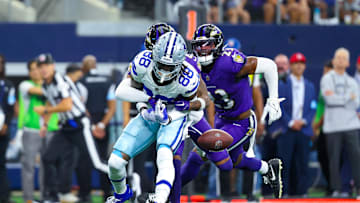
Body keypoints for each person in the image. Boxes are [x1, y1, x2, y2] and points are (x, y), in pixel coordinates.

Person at [180, 24, 284, 198]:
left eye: (208, 45)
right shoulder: (193, 66)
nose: (203, 50)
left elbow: (270, 66)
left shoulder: (230, 62)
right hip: (222, 119)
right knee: (237, 160)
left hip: (242, 122)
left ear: (218, 45)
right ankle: (268, 168)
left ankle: (166, 194)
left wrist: (273, 99)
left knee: (198, 155)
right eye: (199, 45)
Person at [106, 32, 203, 203]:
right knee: (115, 162)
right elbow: (125, 91)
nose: (164, 71)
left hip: (173, 117)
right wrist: (144, 106)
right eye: (161, 65)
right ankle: (122, 194)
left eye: (170, 66)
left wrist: (170, 119)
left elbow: (193, 110)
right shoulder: (142, 62)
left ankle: (160, 199)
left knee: (165, 155)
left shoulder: (188, 79)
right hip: (149, 114)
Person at [34, 53, 107, 202]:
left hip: (79, 125)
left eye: (46, 65)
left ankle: (127, 180)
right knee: (48, 158)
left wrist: (46, 111)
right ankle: (52, 197)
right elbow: (50, 101)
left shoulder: (60, 80)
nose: (44, 69)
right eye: (40, 67)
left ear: (53, 66)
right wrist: (45, 123)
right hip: (66, 127)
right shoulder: (45, 84)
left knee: (96, 163)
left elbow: (67, 105)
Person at [275, 52, 317, 196]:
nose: (299, 66)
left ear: (304, 66)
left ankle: (302, 193)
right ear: (291, 66)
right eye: (296, 63)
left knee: (302, 163)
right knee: (285, 163)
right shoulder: (283, 84)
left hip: (303, 130)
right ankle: (284, 192)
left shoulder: (310, 86)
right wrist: (290, 122)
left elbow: (312, 107)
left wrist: (304, 121)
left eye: (301, 64)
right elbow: (279, 106)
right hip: (287, 129)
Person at [321, 47, 360, 198]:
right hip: (333, 126)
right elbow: (329, 100)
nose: (341, 60)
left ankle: (358, 187)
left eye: (344, 58)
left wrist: (340, 99)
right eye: (338, 57)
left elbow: (356, 103)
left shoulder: (351, 81)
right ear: (334, 60)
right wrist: (346, 98)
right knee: (334, 159)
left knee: (356, 156)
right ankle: (336, 189)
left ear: (348, 63)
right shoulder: (327, 79)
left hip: (351, 124)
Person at [18, 59, 59, 203]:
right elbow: (43, 91)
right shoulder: (25, 85)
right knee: (28, 165)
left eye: (38, 68)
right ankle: (28, 199)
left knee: (46, 166)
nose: (36, 72)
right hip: (31, 130)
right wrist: (52, 83)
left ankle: (44, 197)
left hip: (50, 129)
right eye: (33, 69)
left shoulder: (52, 85)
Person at [79, 55, 116, 202]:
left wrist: (93, 126)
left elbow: (81, 106)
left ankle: (85, 194)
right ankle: (106, 194)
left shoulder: (81, 82)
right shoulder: (108, 81)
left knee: (85, 161)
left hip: (88, 126)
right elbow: (112, 108)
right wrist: (101, 125)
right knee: (103, 160)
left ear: (84, 66)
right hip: (103, 125)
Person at [312, 60, 333, 195]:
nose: (325, 74)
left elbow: (330, 107)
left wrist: (318, 123)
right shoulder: (323, 86)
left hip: (331, 128)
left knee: (332, 158)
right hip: (322, 129)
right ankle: (330, 185)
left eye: (328, 71)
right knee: (322, 157)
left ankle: (333, 186)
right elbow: (320, 107)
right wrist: (316, 123)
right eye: (324, 71)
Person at [0, 54, 15, 203]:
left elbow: (10, 108)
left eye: (1, 63)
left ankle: (4, 198)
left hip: (2, 132)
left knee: (1, 164)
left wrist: (5, 124)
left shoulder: (8, 85)